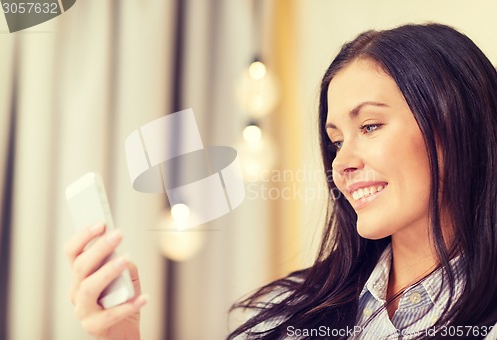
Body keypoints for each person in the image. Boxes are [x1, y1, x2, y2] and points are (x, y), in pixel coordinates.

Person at [64, 23, 497, 339]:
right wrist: (119, 335)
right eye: (335, 141)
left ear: (457, 123)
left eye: (369, 127)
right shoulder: (288, 314)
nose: (341, 163)